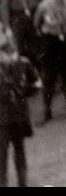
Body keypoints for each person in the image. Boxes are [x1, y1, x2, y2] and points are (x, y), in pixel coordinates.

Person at [0, 28, 38, 186]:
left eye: (11, 51)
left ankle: (22, 183)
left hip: (19, 116)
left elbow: (35, 83)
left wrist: (24, 92)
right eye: (4, 52)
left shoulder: (23, 64)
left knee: (19, 150)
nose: (9, 56)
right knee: (1, 154)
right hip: (1, 118)